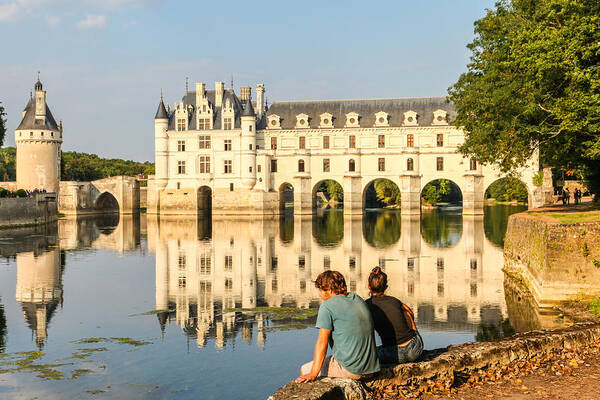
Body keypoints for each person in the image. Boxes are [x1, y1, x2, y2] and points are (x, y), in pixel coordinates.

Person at [296, 270, 380, 383]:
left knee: (304, 369)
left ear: (329, 290)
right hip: (371, 368)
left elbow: (322, 343)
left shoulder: (327, 306)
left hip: (352, 370)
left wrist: (313, 374)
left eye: (320, 290)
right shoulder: (357, 298)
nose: (319, 295)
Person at [365, 267, 423, 364]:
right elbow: (409, 312)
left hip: (393, 353)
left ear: (369, 286)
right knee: (405, 311)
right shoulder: (395, 301)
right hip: (414, 348)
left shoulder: (366, 305)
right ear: (386, 287)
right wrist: (413, 327)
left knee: (372, 354)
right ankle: (414, 334)